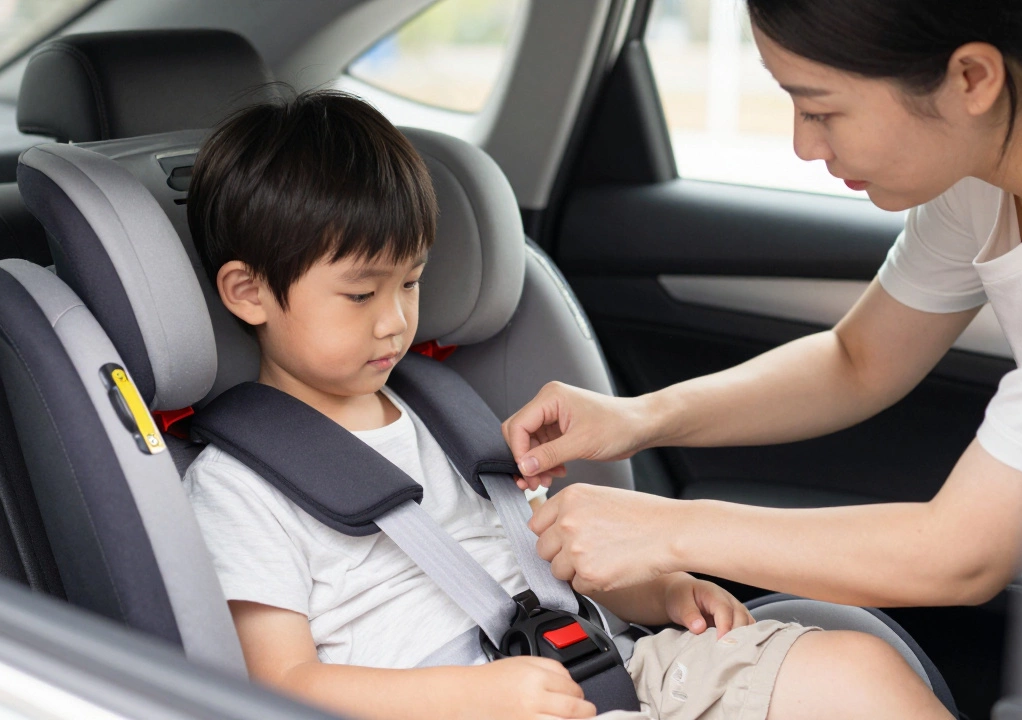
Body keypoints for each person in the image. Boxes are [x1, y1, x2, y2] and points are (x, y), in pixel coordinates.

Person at [180, 90, 952, 720]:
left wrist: (661, 592)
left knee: (854, 666)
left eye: (409, 283)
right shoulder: (236, 487)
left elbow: (548, 565)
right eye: (360, 293)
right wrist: (472, 700)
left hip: (601, 667)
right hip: (455, 703)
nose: (394, 320)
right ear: (249, 292)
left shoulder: (443, 413)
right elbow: (277, 684)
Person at [506, 0, 1022, 609]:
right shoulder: (982, 164)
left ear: (972, 78)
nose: (803, 145)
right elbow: (858, 359)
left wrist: (667, 531)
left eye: (820, 108)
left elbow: (962, 555)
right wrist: (640, 418)